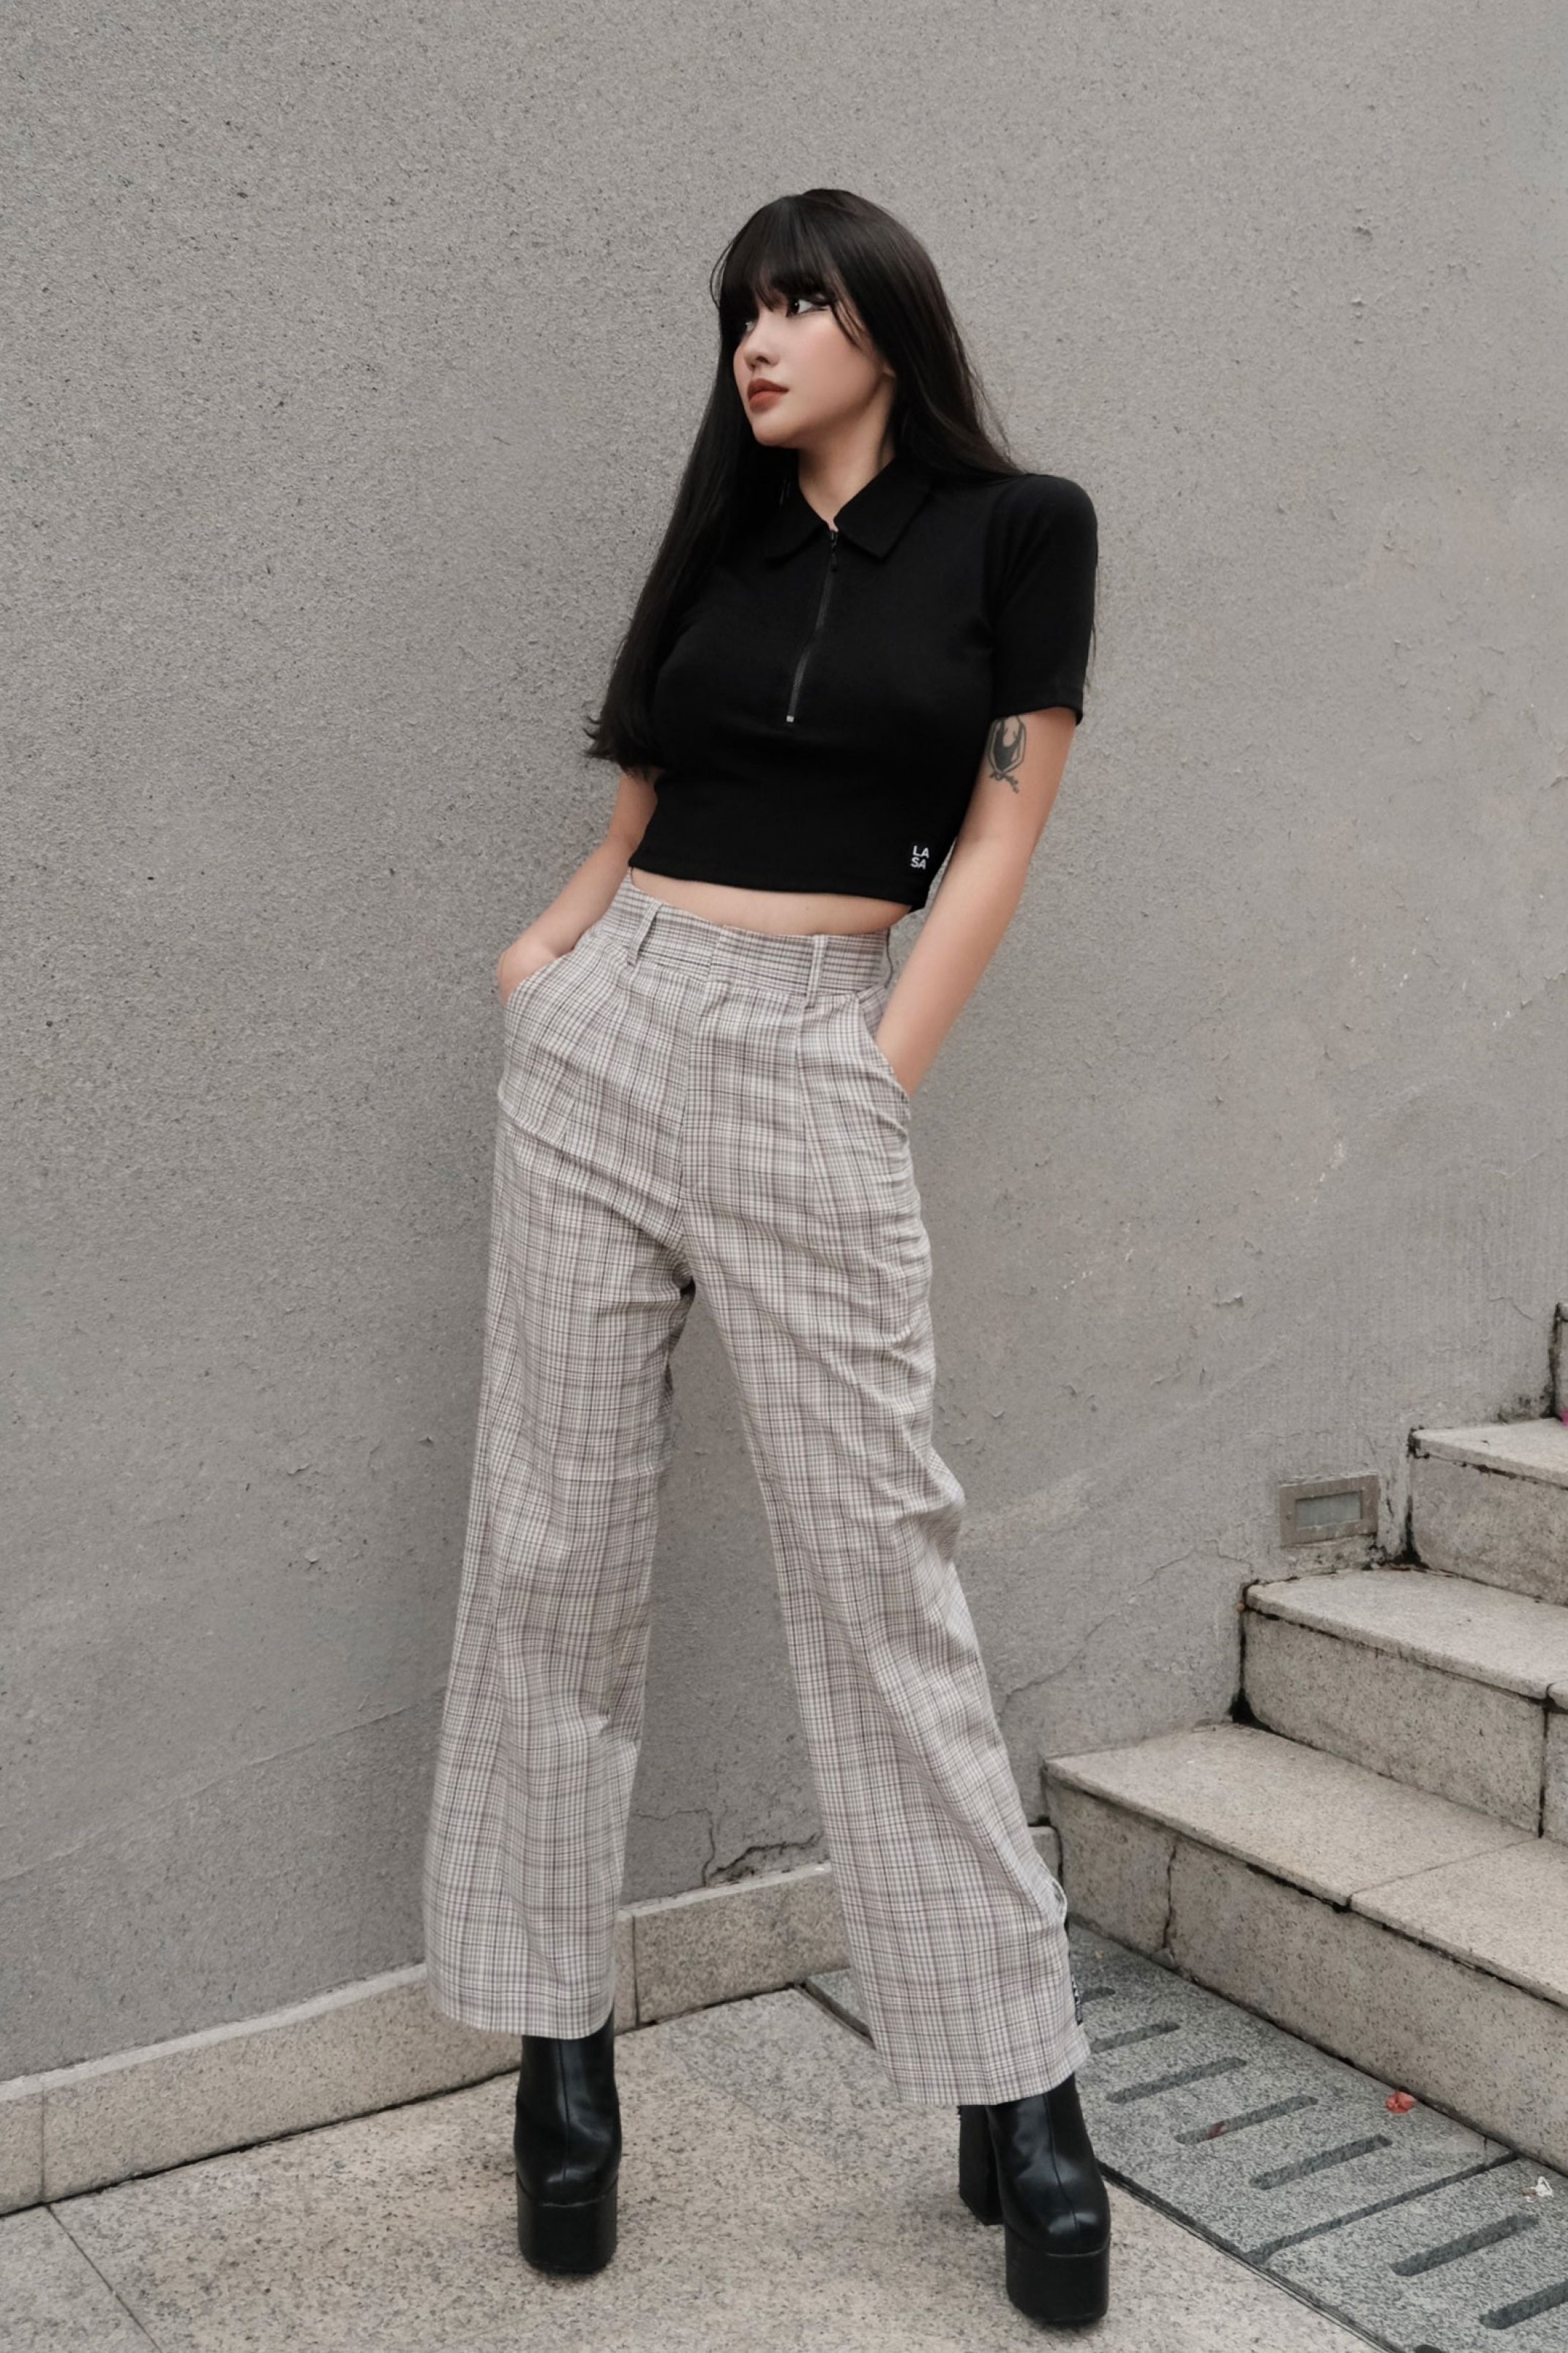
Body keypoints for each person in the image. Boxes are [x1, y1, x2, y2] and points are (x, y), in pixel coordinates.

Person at [421, 186, 1110, 2329]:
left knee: (881, 1568)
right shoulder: (719, 534)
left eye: (801, 302)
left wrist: (876, 1073)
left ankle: (1021, 2078)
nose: (761, 337)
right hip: (608, 1031)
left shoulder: (1019, 532)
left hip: (819, 1048)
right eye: (743, 306)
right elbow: (647, 791)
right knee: (553, 1551)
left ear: (888, 323)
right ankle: (561, 2059)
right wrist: (548, 956)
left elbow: (1002, 826)